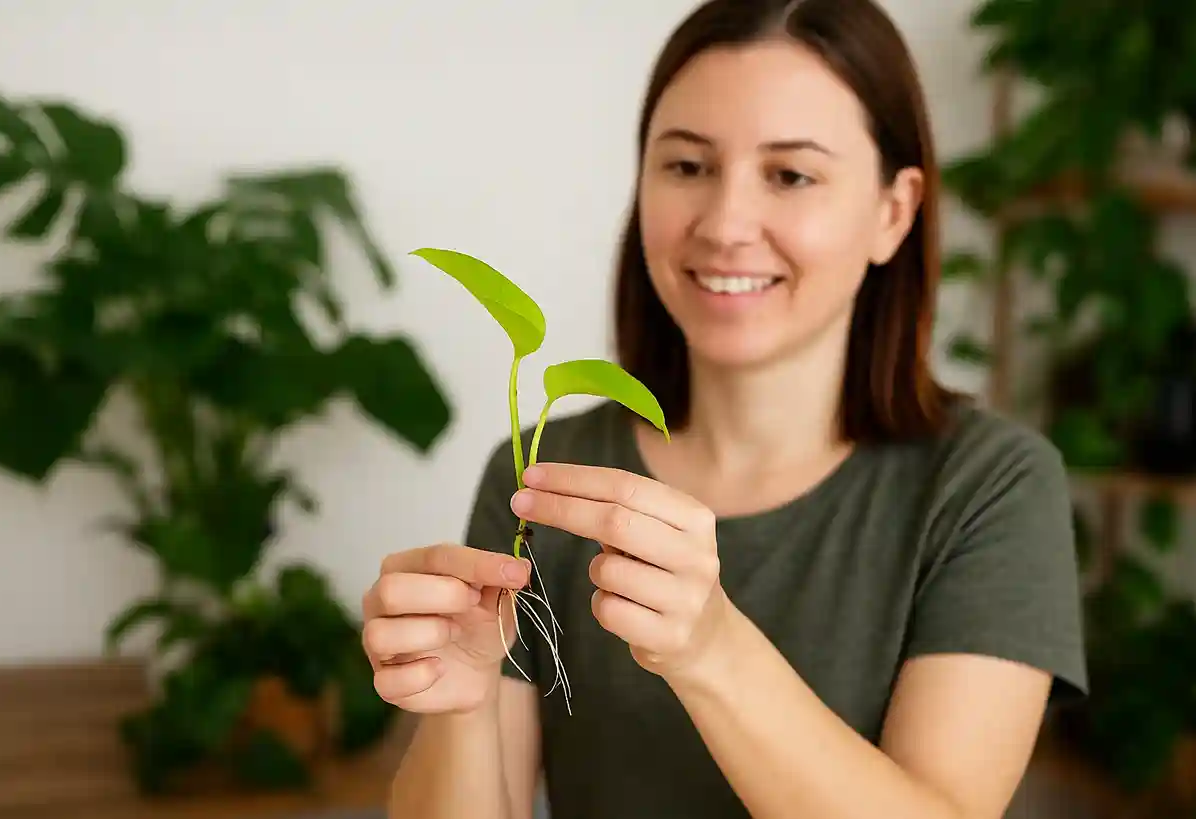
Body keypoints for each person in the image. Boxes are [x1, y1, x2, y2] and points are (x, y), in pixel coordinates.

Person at [362, 0, 1088, 816]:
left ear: (893, 210)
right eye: (687, 167)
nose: (725, 222)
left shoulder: (988, 485)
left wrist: (711, 648)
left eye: (790, 175)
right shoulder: (541, 477)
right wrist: (459, 708)